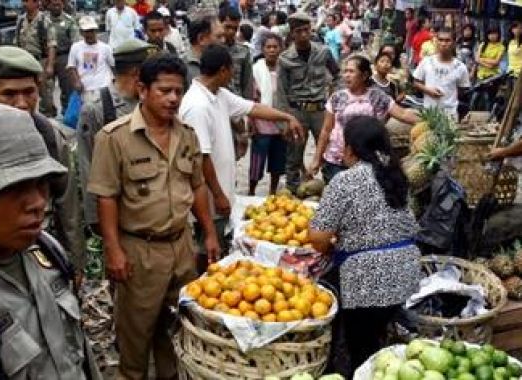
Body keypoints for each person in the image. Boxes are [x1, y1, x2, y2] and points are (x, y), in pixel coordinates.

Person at [88, 54, 220, 380]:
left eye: (178, 91)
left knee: (177, 334)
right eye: (164, 90)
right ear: (142, 90)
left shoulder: (186, 134)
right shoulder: (114, 137)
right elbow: (106, 196)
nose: (173, 98)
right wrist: (113, 250)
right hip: (139, 252)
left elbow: (197, 185)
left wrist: (209, 232)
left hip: (182, 248)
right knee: (135, 338)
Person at [0, 102, 101, 379]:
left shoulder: (44, 248)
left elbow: (79, 357)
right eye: (13, 188)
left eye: (41, 183)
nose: (38, 203)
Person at [309, 115, 421, 376]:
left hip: (367, 282)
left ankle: (356, 368)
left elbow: (317, 238)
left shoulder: (345, 181)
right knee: (375, 334)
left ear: (349, 148)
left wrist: (333, 243)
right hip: (406, 273)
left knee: (362, 349)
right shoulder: (397, 176)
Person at [179, 44, 303, 270]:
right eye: (232, 70)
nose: (235, 75)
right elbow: (202, 158)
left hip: (220, 194)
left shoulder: (218, 94)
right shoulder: (197, 106)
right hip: (207, 197)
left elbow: (253, 108)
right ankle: (197, 286)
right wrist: (218, 195)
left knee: (216, 245)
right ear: (224, 70)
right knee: (207, 247)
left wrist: (286, 117)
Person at [0, 46, 85, 282]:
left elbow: (69, 209)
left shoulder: (50, 137)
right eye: (9, 94)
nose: (22, 104)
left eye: (29, 92)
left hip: (41, 252)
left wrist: (75, 264)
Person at [77, 39, 159, 230]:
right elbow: (87, 165)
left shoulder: (152, 102)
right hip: (119, 213)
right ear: (137, 74)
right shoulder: (97, 109)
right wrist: (96, 221)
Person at [308, 55, 418, 183]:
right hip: (336, 159)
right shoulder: (337, 97)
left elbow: (403, 114)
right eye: (345, 71)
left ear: (364, 75)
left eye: (351, 71)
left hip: (366, 160)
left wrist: (427, 122)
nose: (347, 75)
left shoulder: (378, 97)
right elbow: (326, 130)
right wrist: (317, 158)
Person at [276, 11, 340, 192]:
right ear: (292, 33)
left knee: (328, 150)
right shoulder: (285, 59)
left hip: (320, 110)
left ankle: (331, 189)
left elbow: (338, 75)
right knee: (294, 154)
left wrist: (334, 96)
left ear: (311, 30)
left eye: (306, 30)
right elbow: (281, 92)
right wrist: (285, 121)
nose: (303, 34)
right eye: (299, 31)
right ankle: (293, 191)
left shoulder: (323, 52)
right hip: (298, 111)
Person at [249, 33, 287, 195]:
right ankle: (251, 191)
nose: (272, 50)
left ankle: (272, 191)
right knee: (257, 160)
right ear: (263, 49)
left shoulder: (285, 69)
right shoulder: (256, 69)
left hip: (281, 121)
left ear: (280, 49)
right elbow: (252, 97)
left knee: (278, 161)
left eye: (275, 47)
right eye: (268, 47)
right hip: (262, 121)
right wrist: (251, 122)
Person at [413, 28, 471, 119]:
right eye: (441, 40)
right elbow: (416, 82)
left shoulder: (461, 67)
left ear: (454, 43)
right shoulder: (427, 61)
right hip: (429, 113)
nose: (443, 44)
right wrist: (428, 90)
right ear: (436, 41)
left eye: (447, 41)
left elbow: (462, 90)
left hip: (450, 115)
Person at [14, 0, 57, 117]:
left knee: (45, 92)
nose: (24, 4)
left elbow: (51, 45)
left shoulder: (44, 20)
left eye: (27, 1)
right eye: (23, 1)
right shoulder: (21, 20)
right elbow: (16, 42)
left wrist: (50, 65)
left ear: (36, 3)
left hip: (40, 61)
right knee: (25, 91)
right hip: (24, 61)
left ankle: (48, 118)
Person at [67, 16, 114, 102]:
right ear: (81, 32)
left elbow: (113, 66)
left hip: (103, 89)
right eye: (86, 31)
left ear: (96, 31)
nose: (90, 34)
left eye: (92, 31)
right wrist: (76, 82)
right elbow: (71, 67)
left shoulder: (106, 48)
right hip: (85, 91)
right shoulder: (75, 47)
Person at [49, 0, 79, 112]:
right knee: (46, 90)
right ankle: (48, 113)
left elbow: (75, 42)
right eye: (54, 5)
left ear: (63, 5)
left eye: (59, 5)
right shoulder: (44, 20)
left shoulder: (69, 20)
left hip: (64, 56)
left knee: (67, 88)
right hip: (47, 57)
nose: (56, 7)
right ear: (49, 5)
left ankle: (66, 112)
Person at [219, 6, 253, 98]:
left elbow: (247, 85)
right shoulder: (211, 49)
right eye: (227, 27)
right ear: (219, 24)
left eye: (235, 28)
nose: (231, 31)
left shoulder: (244, 51)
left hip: (237, 103)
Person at [183, 16, 225, 83]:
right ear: (201, 39)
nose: (223, 41)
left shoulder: (221, 63)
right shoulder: (182, 67)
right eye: (219, 37)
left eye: (223, 36)